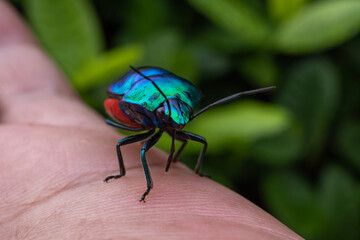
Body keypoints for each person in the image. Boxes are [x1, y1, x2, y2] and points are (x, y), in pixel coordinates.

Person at [0, 1, 303, 239]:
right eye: (172, 122)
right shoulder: (148, 108)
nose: (179, 127)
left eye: (181, 121)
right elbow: (121, 113)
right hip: (130, 107)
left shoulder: (178, 110)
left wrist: (176, 154)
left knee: (197, 141)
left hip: (155, 100)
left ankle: (191, 171)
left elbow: (178, 125)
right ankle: (136, 179)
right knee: (131, 146)